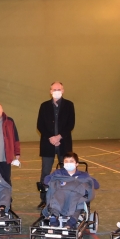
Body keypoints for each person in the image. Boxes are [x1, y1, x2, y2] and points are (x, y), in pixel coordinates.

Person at [37, 81, 75, 209]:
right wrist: (50, 138)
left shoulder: (69, 105)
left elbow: (71, 124)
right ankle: (44, 199)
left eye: (59, 89)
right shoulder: (44, 106)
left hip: (63, 144)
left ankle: (65, 198)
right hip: (48, 145)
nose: (56, 91)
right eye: (54, 89)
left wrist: (59, 137)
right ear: (50, 91)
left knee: (66, 172)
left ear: (63, 91)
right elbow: (40, 125)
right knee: (45, 173)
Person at [43, 152, 99, 229]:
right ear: (63, 163)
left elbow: (95, 185)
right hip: (61, 195)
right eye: (66, 161)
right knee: (56, 196)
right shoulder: (58, 173)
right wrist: (58, 180)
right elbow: (46, 180)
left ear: (77, 164)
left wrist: (80, 181)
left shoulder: (83, 175)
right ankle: (53, 218)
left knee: (79, 200)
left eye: (71, 161)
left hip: (76, 197)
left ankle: (71, 222)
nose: (68, 163)